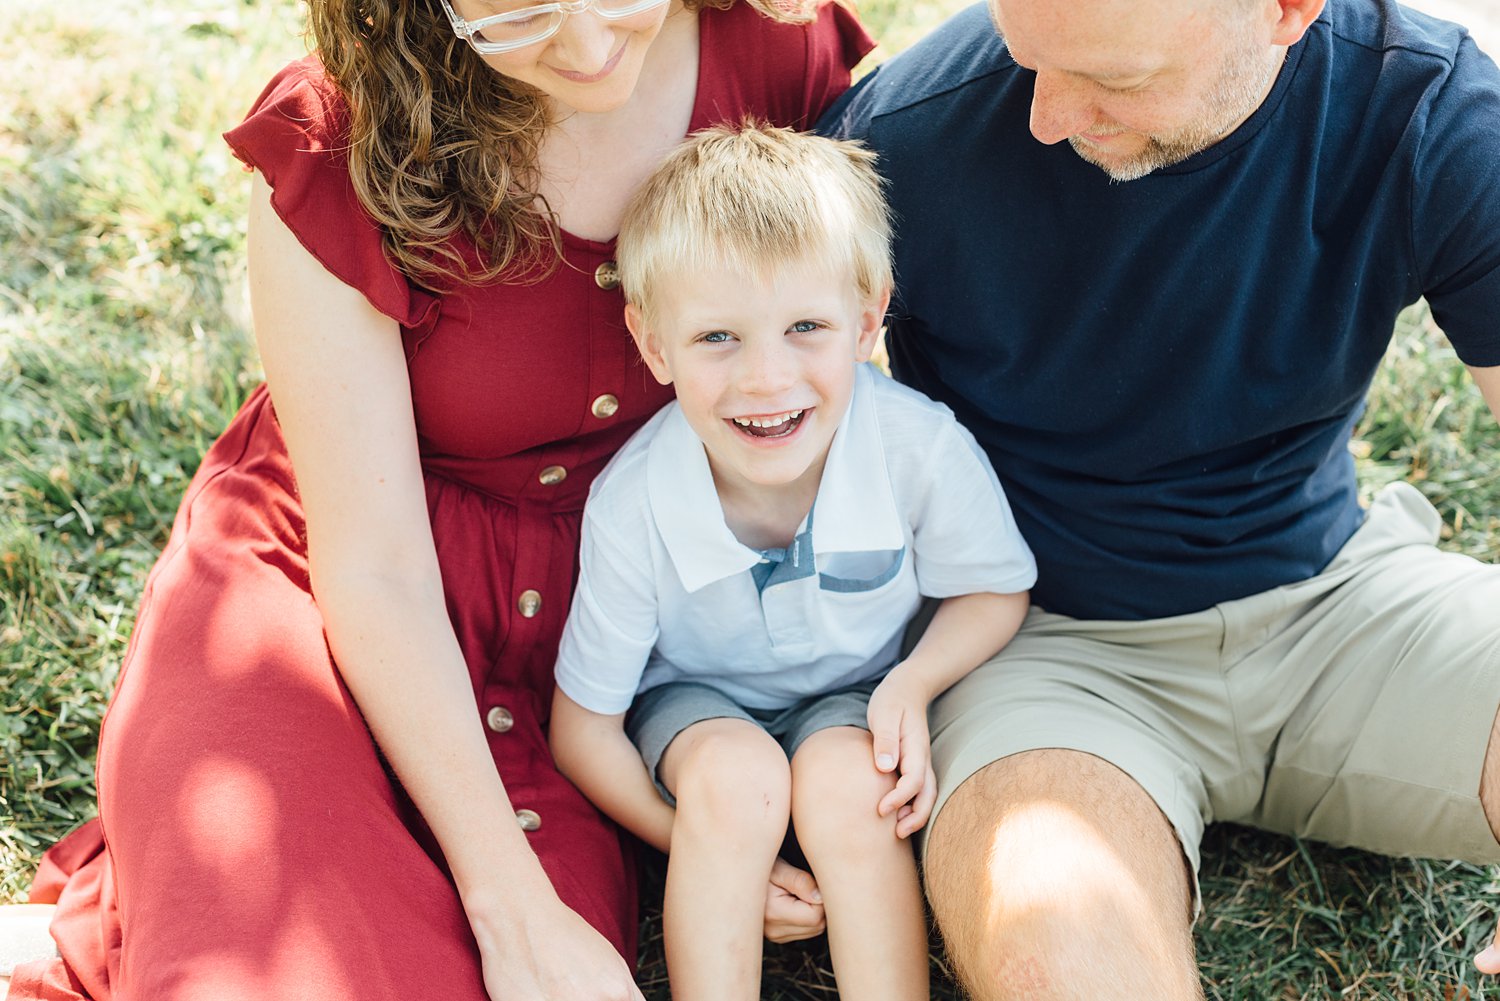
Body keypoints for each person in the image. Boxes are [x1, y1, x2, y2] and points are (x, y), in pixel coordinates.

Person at [3, 2, 873, 999]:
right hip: (338, 592)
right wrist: (514, 901)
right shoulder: (343, 136)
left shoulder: (777, 52)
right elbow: (372, 567)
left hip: (596, 641)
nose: (590, 50)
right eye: (519, 13)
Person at [819, 0, 1500, 996]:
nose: (1047, 116)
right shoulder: (903, 136)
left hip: (1346, 610)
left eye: (1115, 80)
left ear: (1285, 11)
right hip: (1041, 654)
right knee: (1054, 959)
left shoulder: (1424, 104)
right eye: (1029, 61)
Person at [546, 123, 1036, 1000]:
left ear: (868, 317)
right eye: (717, 338)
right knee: (737, 778)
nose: (767, 379)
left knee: (853, 783)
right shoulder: (636, 502)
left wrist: (912, 685)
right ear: (655, 345)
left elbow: (995, 591)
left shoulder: (915, 446)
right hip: (698, 712)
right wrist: (694, 835)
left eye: (805, 325)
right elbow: (583, 728)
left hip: (852, 695)